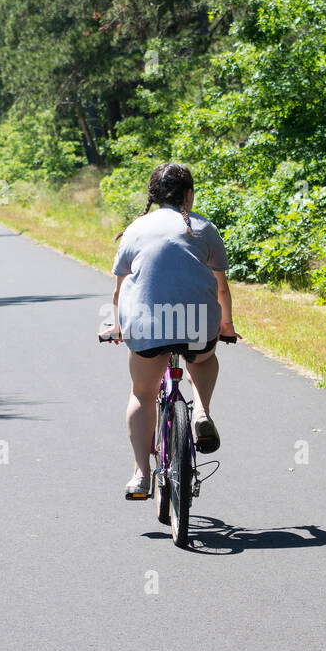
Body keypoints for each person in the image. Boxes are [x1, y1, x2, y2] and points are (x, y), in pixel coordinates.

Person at [102, 162, 239, 500]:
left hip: (147, 327)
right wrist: (226, 327)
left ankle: (141, 475)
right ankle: (202, 413)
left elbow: (119, 292)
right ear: (188, 194)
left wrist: (117, 327)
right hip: (196, 322)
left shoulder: (135, 229)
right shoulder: (205, 228)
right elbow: (221, 288)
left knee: (143, 393)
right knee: (204, 360)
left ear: (153, 196)